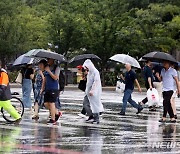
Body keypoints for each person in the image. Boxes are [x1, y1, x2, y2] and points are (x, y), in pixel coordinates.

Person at [83, 59, 104, 124]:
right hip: (88, 91)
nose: (86, 69)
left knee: (95, 105)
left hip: (94, 92)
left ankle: (96, 118)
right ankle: (91, 116)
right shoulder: (89, 72)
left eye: (86, 67)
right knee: (85, 104)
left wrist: (93, 90)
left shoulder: (95, 72)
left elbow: (96, 81)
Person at [43, 58, 61, 125]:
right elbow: (45, 78)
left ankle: (53, 119)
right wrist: (42, 88)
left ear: (53, 60)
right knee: (46, 104)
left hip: (54, 88)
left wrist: (49, 71)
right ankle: (56, 112)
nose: (48, 61)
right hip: (47, 88)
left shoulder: (56, 67)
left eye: (49, 60)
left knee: (51, 103)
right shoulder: (47, 67)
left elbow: (55, 77)